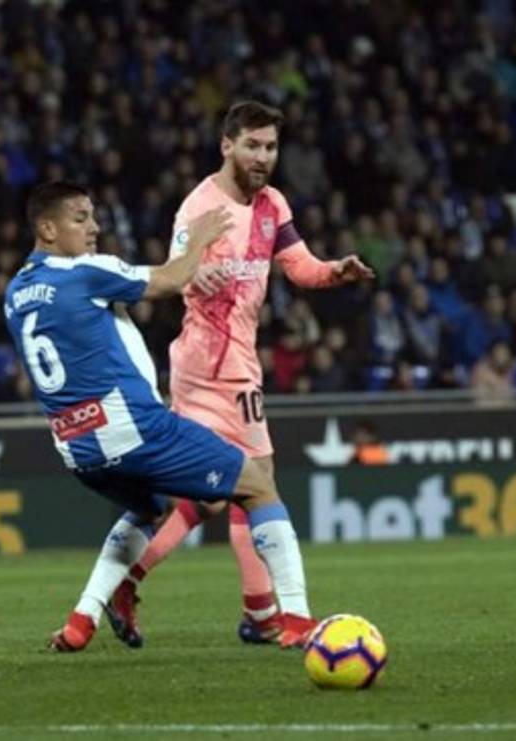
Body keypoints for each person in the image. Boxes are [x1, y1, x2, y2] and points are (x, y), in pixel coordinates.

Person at [103, 101, 375, 649]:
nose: (263, 157)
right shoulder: (200, 207)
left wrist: (333, 272)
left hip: (235, 364)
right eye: (252, 145)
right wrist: (203, 273)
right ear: (226, 145)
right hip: (211, 368)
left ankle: (131, 585)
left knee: (208, 497)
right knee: (257, 482)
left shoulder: (273, 204)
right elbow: (178, 273)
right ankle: (262, 613)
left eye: (271, 147)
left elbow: (298, 266)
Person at [5, 181, 315, 653]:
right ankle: (294, 620)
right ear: (47, 228)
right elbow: (171, 279)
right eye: (81, 218)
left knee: (151, 506)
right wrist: (200, 238)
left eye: (93, 216)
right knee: (257, 484)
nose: (95, 228)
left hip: (77, 447)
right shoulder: (87, 272)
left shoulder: (15, 293)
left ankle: (81, 620)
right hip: (135, 428)